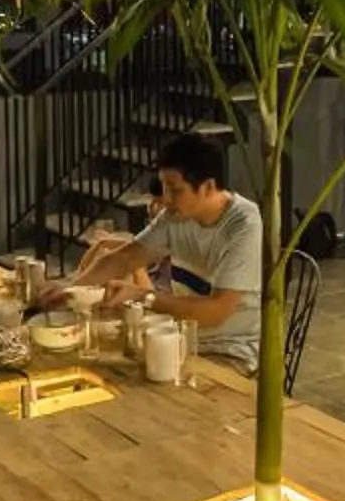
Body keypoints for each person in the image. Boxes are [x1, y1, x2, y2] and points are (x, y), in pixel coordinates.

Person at [60, 132, 264, 372]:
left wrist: (141, 296)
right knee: (96, 362)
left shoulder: (243, 224)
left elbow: (216, 312)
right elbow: (123, 258)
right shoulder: (175, 217)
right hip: (181, 340)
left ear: (208, 186)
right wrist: (69, 292)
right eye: (165, 189)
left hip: (231, 352)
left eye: (175, 191)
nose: (166, 199)